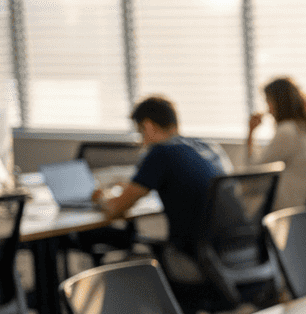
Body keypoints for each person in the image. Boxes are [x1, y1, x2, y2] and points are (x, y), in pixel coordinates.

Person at [96, 95, 232, 293]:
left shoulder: (161, 153)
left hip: (194, 256)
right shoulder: (207, 146)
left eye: (140, 131)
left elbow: (116, 209)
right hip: (232, 251)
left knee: (130, 256)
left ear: (148, 126)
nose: (141, 139)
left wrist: (98, 198)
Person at [247, 77, 306, 213]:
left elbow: (254, 172)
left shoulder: (287, 131)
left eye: (268, 102)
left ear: (278, 103)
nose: (268, 110)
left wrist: (251, 133)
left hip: (291, 209)